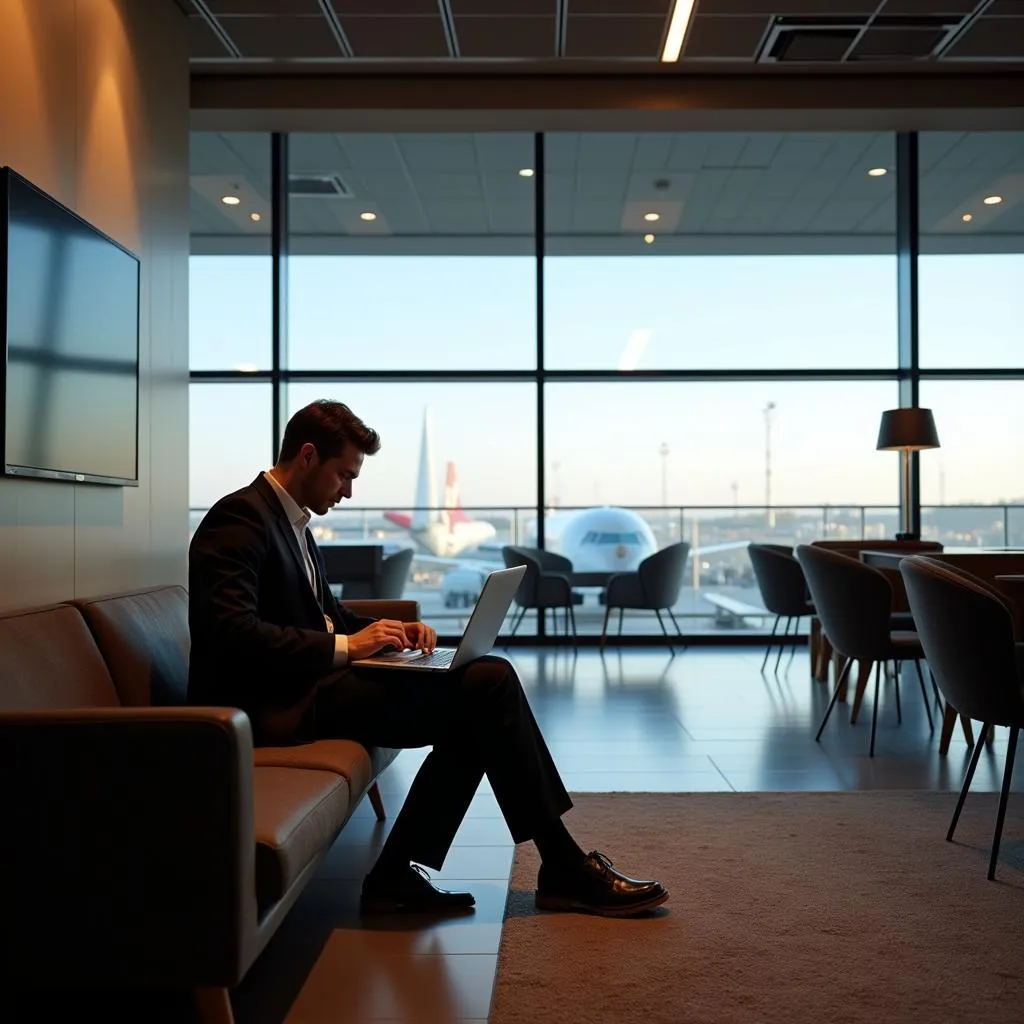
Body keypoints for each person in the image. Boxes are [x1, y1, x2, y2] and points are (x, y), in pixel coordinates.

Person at [188, 399, 668, 918]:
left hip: (309, 685)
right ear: (308, 456)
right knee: (488, 686)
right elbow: (232, 636)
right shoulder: (239, 518)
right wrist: (352, 647)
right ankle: (560, 867)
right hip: (271, 706)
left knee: (482, 693)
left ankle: (411, 875)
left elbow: (323, 613)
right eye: (344, 476)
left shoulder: (292, 521)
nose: (348, 491)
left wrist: (383, 633)